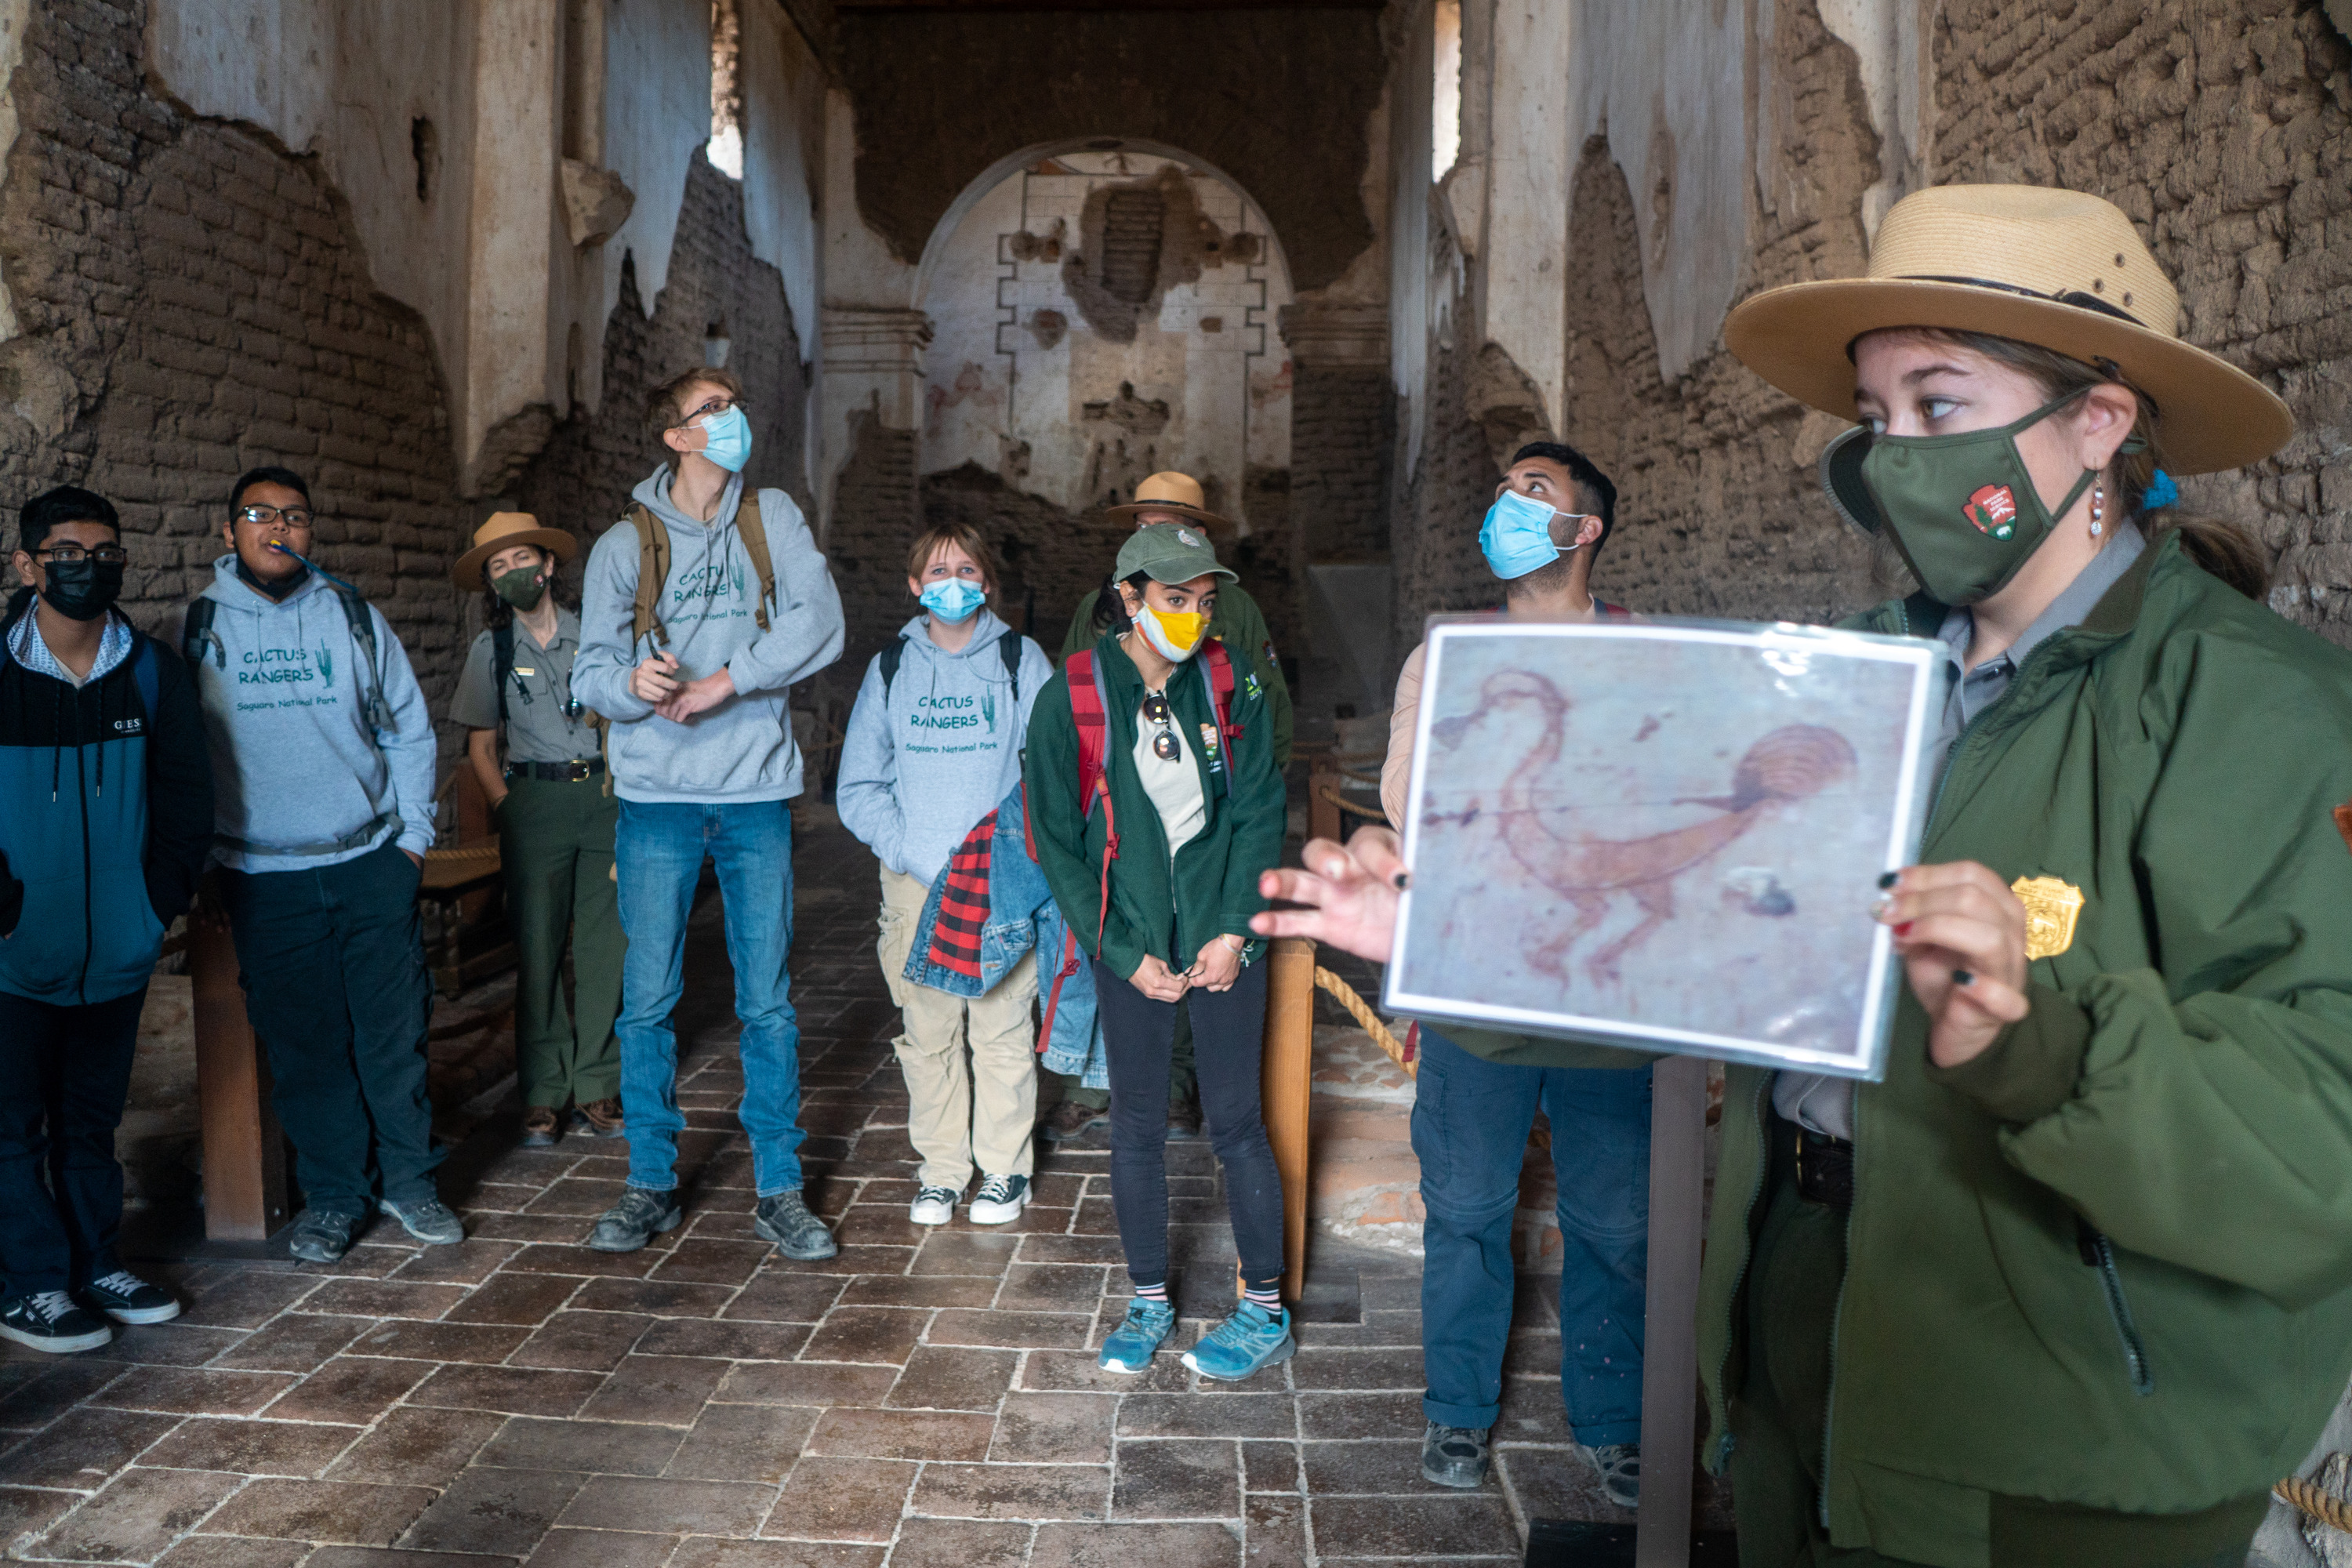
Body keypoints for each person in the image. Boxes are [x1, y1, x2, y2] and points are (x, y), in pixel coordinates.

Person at [1263, 185, 2352, 1568]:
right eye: (1876, 414)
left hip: (2060, 1445)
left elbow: (2322, 1144)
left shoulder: (2255, 710)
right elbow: (1705, 953)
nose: (1894, 454)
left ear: (2100, 421)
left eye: (1941, 406)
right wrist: (1451, 934)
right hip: (1806, 1333)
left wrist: (2051, 1044)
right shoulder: (1846, 682)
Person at [1379, 441, 1653, 1506]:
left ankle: (1617, 1417)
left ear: (1585, 530)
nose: (1506, 505)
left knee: (1617, 1220)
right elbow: (1410, 801)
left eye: (1533, 493)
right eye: (1503, 489)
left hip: (1602, 986)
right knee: (1467, 1206)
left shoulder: (1645, 653)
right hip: (1474, 975)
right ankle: (1455, 1411)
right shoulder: (1444, 655)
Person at [570, 365, 845, 1260]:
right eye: (712, 410)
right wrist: (630, 685)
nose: (732, 419)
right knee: (647, 1001)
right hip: (656, 801)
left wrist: (731, 678)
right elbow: (590, 673)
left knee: (767, 1001)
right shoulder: (624, 543)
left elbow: (822, 620)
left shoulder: (774, 519)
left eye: (736, 403)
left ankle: (779, 1188)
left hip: (755, 793)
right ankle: (649, 1181)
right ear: (677, 437)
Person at [1023, 521, 1290, 1380]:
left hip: (1222, 933)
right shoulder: (1071, 695)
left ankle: (1264, 1306)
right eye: (1177, 600)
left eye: (1206, 601)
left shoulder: (1231, 679)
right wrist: (1118, 947)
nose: (1196, 617)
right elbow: (1055, 839)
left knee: (1238, 1121)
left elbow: (1257, 811)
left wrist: (1236, 929)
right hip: (1127, 936)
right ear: (1130, 598)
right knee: (1136, 1122)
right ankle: (1146, 1299)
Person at [177, 467, 456, 1265]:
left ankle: (411, 1181)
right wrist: (205, 866)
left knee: (392, 1036)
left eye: (294, 516)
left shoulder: (353, 618)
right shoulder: (195, 628)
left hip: (370, 858)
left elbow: (409, 727)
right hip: (265, 877)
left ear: (311, 532)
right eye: (258, 514)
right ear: (227, 532)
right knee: (307, 1046)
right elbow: (184, 761)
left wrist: (410, 841)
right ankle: (336, 1195)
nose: (277, 527)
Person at [0, 488, 212, 1351]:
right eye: (67, 552)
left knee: (92, 1120)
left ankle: (95, 1261)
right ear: (28, 566)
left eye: (105, 551)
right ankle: (32, 1283)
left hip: (114, 948)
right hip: (13, 952)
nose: (89, 567)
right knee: (12, 1126)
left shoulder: (152, 671)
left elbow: (188, 798)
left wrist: (150, 906)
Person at [1045, 471, 1294, 1148]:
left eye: (1170, 522)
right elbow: (1068, 712)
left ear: (1202, 532)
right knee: (1112, 946)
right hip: (1115, 816)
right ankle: (1091, 1083)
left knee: (1196, 952)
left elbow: (1265, 701)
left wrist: (1255, 784)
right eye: (1143, 522)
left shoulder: (1231, 613)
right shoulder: (1097, 605)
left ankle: (1182, 1086)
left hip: (1203, 812)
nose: (1153, 533)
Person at [837, 523, 1054, 1226]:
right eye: (936, 572)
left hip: (1001, 878)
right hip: (915, 880)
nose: (951, 583)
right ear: (914, 586)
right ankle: (941, 1170)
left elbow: (1054, 775)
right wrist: (906, 849)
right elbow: (858, 786)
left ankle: (1003, 1170)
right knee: (927, 1035)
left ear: (986, 582)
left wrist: (1018, 853)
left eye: (965, 570)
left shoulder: (1022, 661)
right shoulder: (892, 668)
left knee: (1000, 1030)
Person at [448, 512, 624, 1149]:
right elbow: (480, 745)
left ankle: (598, 1083)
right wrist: (507, 807)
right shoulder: (490, 651)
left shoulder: (598, 636)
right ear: (492, 586)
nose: (513, 573)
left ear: (548, 566)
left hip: (602, 795)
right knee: (539, 947)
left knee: (608, 949)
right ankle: (544, 1092)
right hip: (534, 803)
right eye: (499, 567)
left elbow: (628, 719)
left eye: (522, 559)